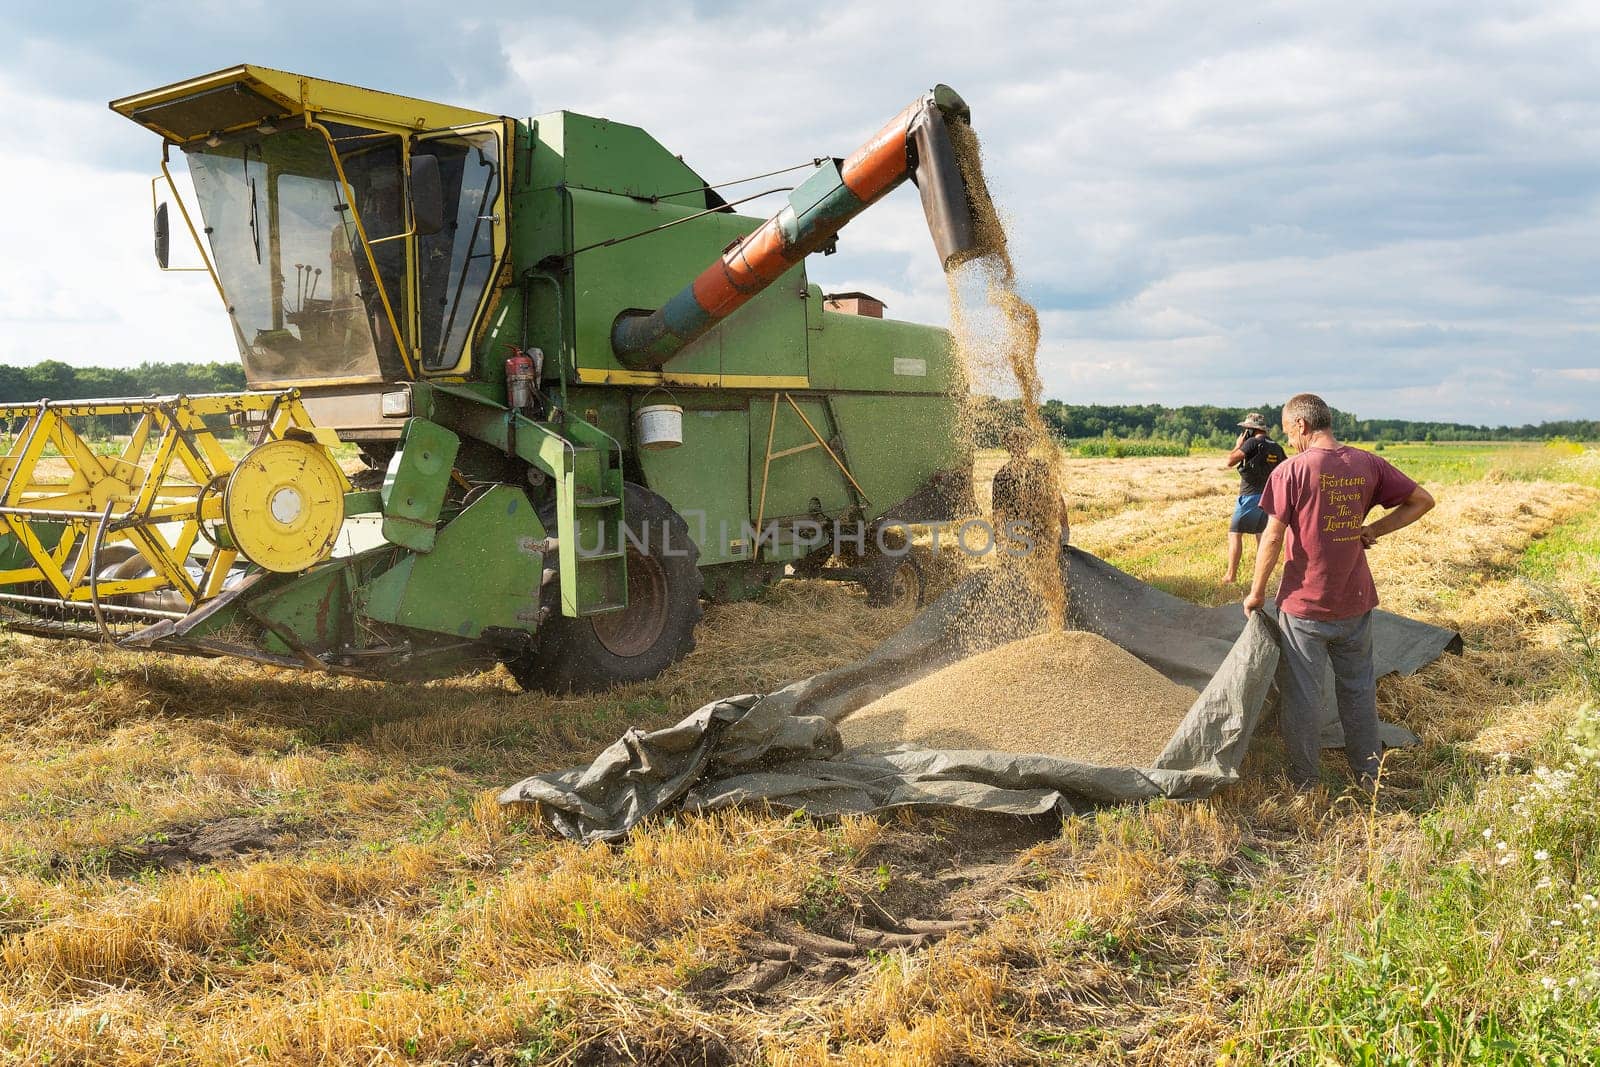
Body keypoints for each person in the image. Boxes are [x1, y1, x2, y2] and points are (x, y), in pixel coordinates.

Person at [1242, 393, 1435, 792]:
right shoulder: (1367, 463)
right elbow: (1422, 500)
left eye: (1287, 429)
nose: (1288, 438)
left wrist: (1256, 592)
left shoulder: (1291, 471)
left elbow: (1273, 537)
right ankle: (1368, 775)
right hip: (1355, 601)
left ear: (1301, 426)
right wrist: (1373, 530)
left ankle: (1305, 783)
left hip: (1304, 606)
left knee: (1304, 697)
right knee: (1359, 690)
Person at [1222, 413, 1286, 583]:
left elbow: (1230, 461)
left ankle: (1231, 575)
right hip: (1269, 497)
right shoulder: (1276, 447)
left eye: (1245, 429)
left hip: (1249, 496)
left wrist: (1238, 446)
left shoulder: (1252, 443)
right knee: (1261, 536)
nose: (1244, 432)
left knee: (1235, 534)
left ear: (1251, 430)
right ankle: (1262, 577)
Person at [991, 427, 1070, 552]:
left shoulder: (1042, 469)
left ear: (1028, 444)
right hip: (1017, 535)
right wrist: (1000, 541)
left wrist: (1064, 530)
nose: (1018, 445)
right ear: (1007, 447)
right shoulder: (1002, 477)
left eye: (1021, 441)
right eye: (1014, 442)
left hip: (1042, 531)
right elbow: (998, 513)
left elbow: (1057, 499)